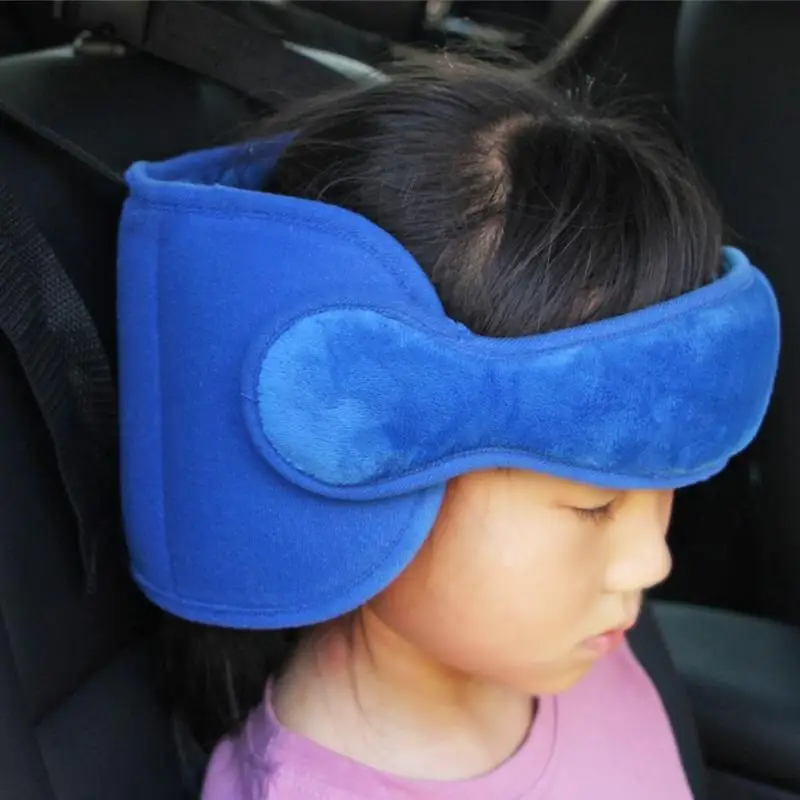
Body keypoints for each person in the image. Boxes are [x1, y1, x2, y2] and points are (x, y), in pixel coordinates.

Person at [116, 58, 780, 799]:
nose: (651, 563)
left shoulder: (574, 651)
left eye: (662, 488)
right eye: (595, 506)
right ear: (365, 451)